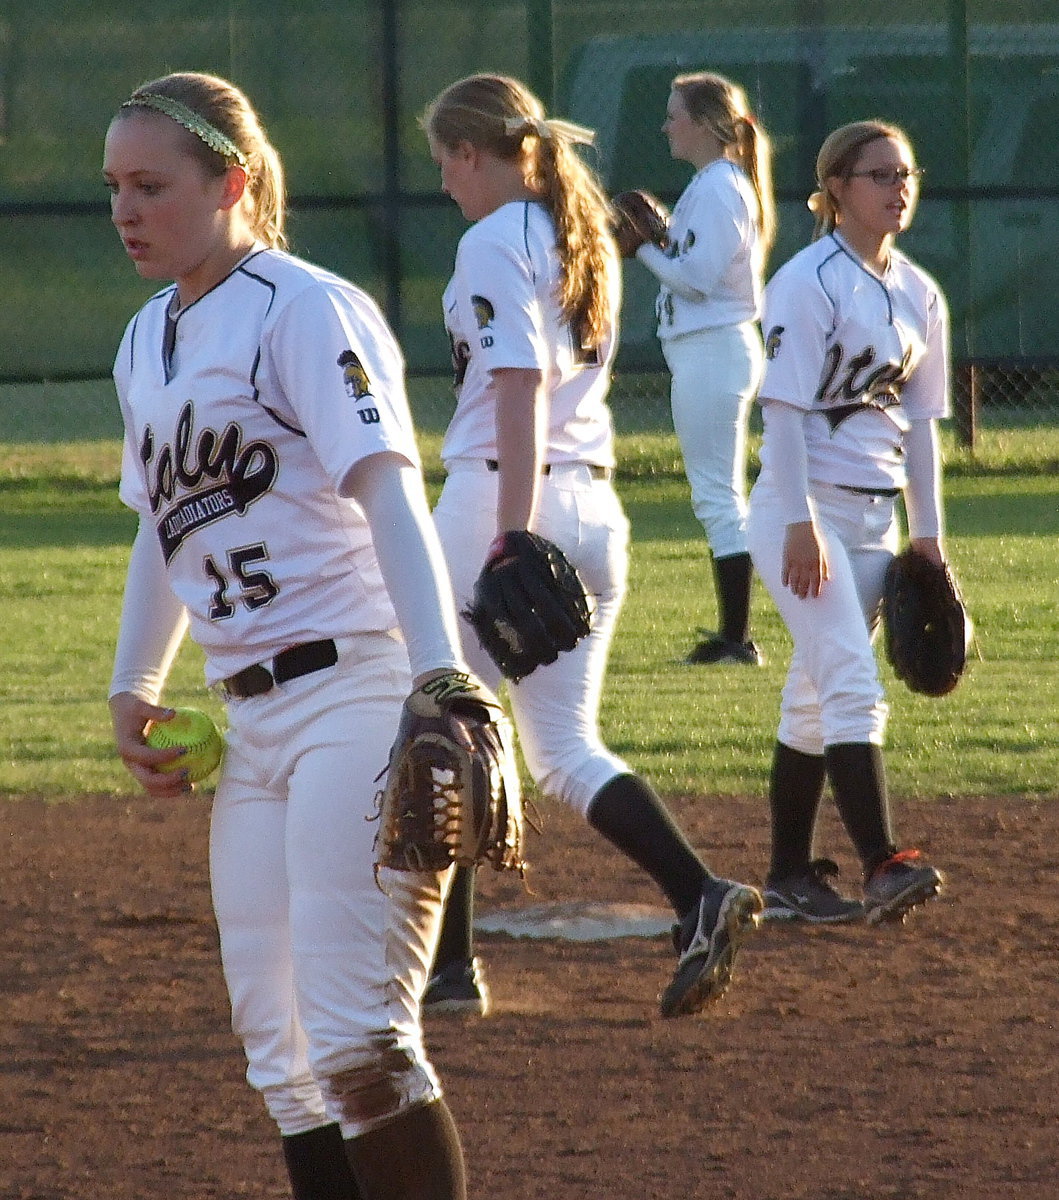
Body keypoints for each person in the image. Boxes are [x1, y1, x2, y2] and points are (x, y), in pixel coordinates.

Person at [104, 71, 484, 1200]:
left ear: (230, 181)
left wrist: (442, 680)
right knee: (284, 1057)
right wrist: (137, 679)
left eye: (152, 185)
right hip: (251, 722)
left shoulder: (301, 308)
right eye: (113, 186)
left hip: (357, 695)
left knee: (362, 1042)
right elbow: (162, 527)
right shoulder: (144, 339)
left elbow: (389, 493)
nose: (125, 209)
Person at [419, 72, 763, 1020]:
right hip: (597, 513)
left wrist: (509, 537)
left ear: (475, 152)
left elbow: (520, 387)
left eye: (446, 158)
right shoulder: (578, 235)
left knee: (443, 727)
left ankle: (446, 972)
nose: (444, 179)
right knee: (561, 747)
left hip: (505, 497)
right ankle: (699, 894)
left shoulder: (492, 239)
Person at [746, 119, 948, 926]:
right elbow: (784, 410)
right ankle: (882, 863)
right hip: (804, 512)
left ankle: (789, 874)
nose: (897, 187)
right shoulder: (806, 281)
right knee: (851, 683)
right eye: (877, 174)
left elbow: (924, 424)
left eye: (905, 172)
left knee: (811, 697)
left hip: (873, 521)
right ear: (834, 188)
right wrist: (796, 521)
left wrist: (927, 536)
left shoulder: (918, 291)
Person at [635, 72, 776, 666]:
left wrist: (638, 247)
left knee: (718, 498)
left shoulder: (720, 187)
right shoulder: (710, 185)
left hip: (714, 348)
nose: (667, 125)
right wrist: (659, 240)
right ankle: (734, 635)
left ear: (705, 123)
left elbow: (695, 281)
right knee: (718, 496)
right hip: (706, 350)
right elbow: (691, 264)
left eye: (675, 114)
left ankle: (737, 639)